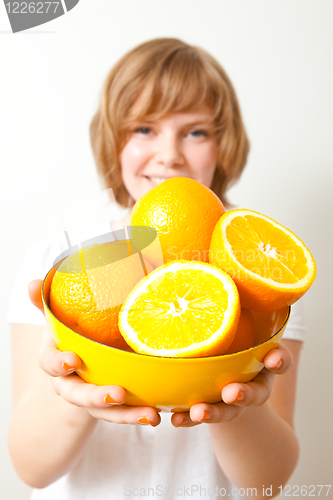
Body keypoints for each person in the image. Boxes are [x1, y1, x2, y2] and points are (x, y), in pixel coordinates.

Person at [8, 38, 304, 500]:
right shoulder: (65, 260)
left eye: (196, 132)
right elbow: (31, 468)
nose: (169, 155)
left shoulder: (259, 273)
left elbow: (266, 484)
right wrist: (75, 389)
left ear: (224, 144)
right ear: (114, 138)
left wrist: (239, 398)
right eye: (145, 128)